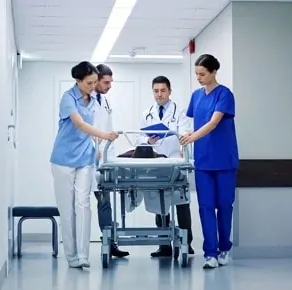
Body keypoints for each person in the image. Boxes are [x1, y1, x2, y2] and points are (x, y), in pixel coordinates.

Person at [50, 61, 119, 269]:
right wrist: (105, 136)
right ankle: (70, 256)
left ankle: (83, 254)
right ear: (78, 81)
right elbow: (80, 123)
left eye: (95, 82)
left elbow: (97, 122)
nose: (92, 86)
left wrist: (99, 145)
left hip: (86, 158)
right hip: (63, 159)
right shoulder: (68, 98)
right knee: (67, 208)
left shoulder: (94, 100)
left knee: (83, 204)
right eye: (89, 83)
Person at [180, 54, 239, 269]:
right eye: (196, 74)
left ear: (213, 72)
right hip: (203, 161)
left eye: (202, 74)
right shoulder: (196, 96)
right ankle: (210, 253)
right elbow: (191, 122)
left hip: (224, 160)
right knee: (205, 207)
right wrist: (187, 133)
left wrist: (193, 136)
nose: (199, 77)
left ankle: (224, 248)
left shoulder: (224, 94)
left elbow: (214, 122)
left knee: (224, 205)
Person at [139, 76, 194, 257]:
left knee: (181, 203)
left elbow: (185, 132)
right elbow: (140, 138)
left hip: (175, 161)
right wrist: (148, 139)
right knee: (159, 203)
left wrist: (181, 143)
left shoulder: (180, 111)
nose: (159, 94)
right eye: (156, 91)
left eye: (163, 91)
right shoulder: (147, 113)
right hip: (157, 162)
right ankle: (164, 245)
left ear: (170, 91)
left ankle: (187, 242)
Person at [91, 64, 129, 258]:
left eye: (110, 82)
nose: (109, 86)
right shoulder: (86, 101)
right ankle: (102, 244)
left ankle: (109, 242)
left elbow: (108, 131)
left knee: (105, 202)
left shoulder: (104, 101)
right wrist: (94, 149)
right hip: (88, 160)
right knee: (94, 203)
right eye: (106, 82)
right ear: (95, 80)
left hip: (104, 159)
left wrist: (109, 158)